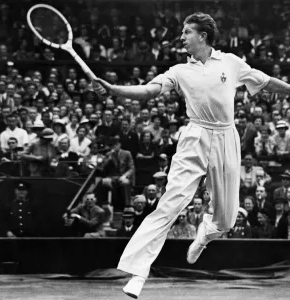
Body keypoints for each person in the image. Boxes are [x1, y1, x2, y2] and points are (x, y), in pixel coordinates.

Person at [94, 12, 290, 299]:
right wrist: (116, 89)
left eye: (187, 32)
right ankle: (138, 272)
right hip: (195, 137)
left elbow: (267, 81)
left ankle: (204, 235)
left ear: (203, 36)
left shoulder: (232, 63)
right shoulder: (178, 71)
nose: (182, 37)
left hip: (226, 138)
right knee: (169, 204)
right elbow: (149, 91)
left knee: (226, 220)